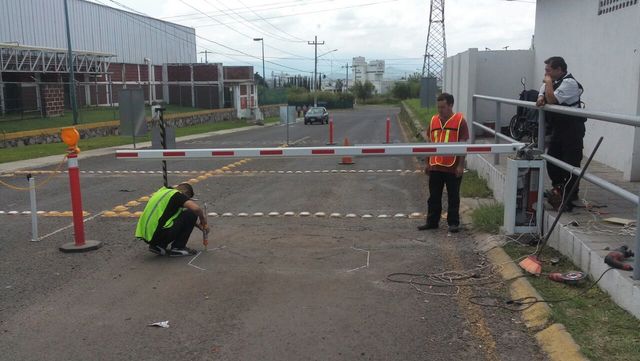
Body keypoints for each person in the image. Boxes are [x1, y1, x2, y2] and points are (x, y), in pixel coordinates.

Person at [535, 56, 586, 211]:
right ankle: (558, 189)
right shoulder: (552, 82)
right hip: (558, 128)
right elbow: (542, 94)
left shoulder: (569, 83)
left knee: (570, 163)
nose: (546, 74)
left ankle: (569, 196)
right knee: (552, 160)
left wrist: (548, 85)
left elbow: (552, 99)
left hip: (572, 128)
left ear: (559, 69)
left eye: (548, 70)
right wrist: (540, 97)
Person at [418, 93, 469, 233]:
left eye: (443, 107)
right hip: (435, 165)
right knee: (433, 196)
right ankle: (432, 221)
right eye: (438, 107)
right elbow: (429, 143)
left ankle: (453, 223)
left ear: (451, 105)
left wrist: (460, 165)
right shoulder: (433, 120)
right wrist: (428, 162)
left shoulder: (460, 122)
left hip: (452, 167)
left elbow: (463, 146)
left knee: (453, 196)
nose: (440, 110)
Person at [135, 183, 209, 256]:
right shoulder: (177, 195)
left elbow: (175, 217)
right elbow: (196, 209)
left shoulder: (162, 192)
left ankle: (158, 246)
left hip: (149, 235)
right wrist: (203, 220)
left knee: (184, 213)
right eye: (187, 198)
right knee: (191, 213)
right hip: (156, 234)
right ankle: (178, 247)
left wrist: (198, 226)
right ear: (185, 193)